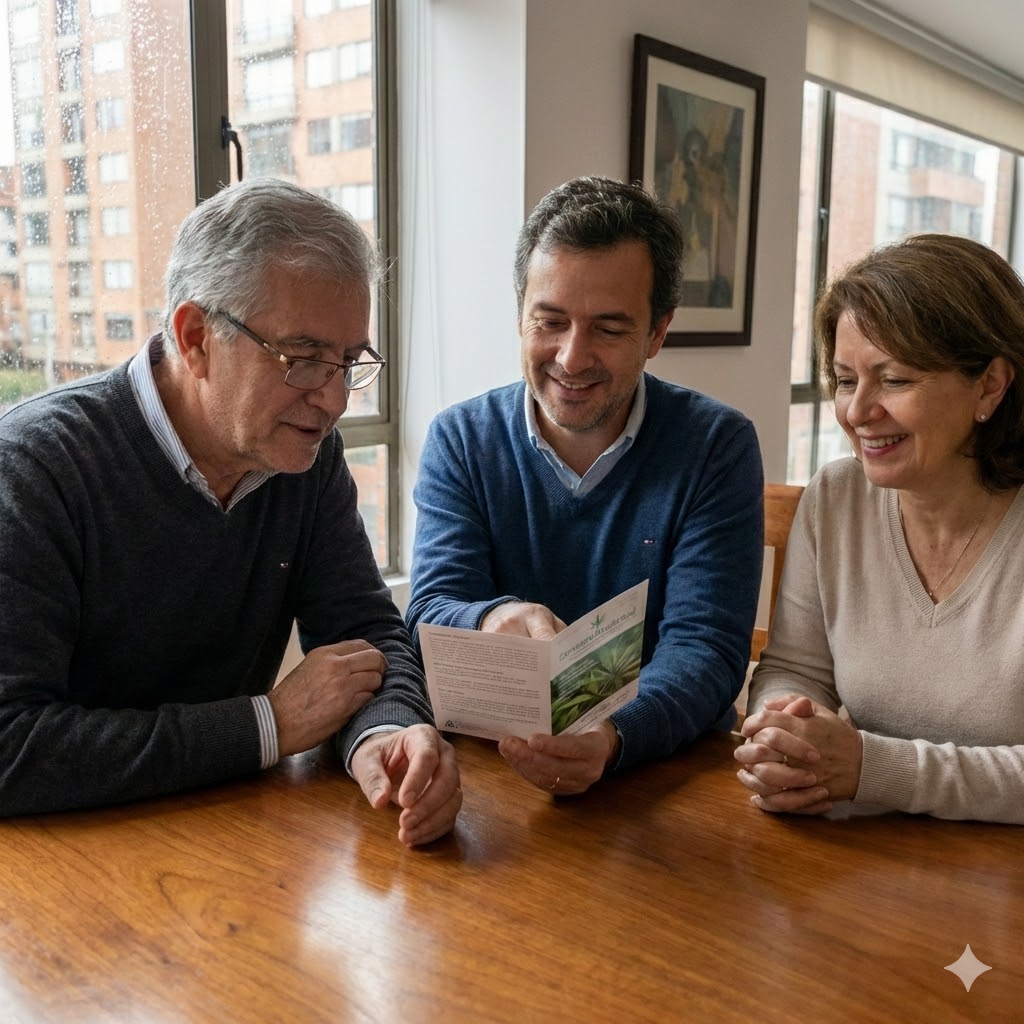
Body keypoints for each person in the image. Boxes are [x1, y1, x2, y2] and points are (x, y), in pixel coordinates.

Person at [0, 177, 461, 846]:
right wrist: (266, 726)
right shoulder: (35, 468)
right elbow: (11, 749)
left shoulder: (304, 453)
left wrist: (386, 735)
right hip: (58, 878)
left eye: (349, 361)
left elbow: (364, 635)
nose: (332, 400)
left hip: (232, 845)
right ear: (195, 338)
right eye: (303, 359)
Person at [407, 175, 764, 796]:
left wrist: (612, 734)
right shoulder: (461, 439)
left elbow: (705, 650)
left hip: (664, 778)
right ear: (520, 315)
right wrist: (492, 617)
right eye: (550, 321)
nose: (571, 358)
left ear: (657, 333)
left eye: (609, 328)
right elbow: (431, 610)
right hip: (492, 777)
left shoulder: (716, 446)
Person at [735, 232, 1024, 824]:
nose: (858, 412)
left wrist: (874, 768)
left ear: (990, 386)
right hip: (860, 866)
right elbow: (797, 668)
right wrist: (785, 731)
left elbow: (869, 766)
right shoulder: (837, 498)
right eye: (845, 380)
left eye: (894, 380)